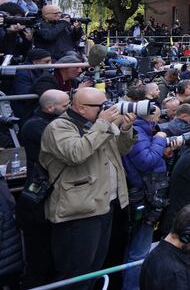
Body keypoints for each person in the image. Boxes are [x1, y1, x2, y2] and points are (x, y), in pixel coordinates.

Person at [38, 87, 136, 290]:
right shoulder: (59, 127)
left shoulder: (98, 124)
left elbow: (122, 150)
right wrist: (102, 124)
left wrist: (126, 129)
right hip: (78, 212)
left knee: (94, 269)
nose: (108, 109)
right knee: (75, 274)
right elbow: (75, 154)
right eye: (101, 106)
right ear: (81, 108)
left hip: (104, 206)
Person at [15, 90, 70, 288]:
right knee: (39, 260)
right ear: (49, 107)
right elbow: (64, 153)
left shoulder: (51, 123)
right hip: (39, 200)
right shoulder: (35, 126)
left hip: (50, 195)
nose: (69, 109)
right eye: (65, 106)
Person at [121, 101, 169, 290]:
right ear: (150, 118)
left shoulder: (141, 131)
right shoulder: (139, 133)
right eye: (157, 118)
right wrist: (160, 139)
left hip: (144, 191)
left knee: (135, 248)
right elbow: (146, 161)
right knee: (139, 251)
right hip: (144, 194)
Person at [10, 48, 52, 125]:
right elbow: (24, 94)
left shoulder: (40, 71)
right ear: (35, 62)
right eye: (46, 62)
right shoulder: (23, 73)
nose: (50, 64)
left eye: (50, 61)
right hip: (26, 110)